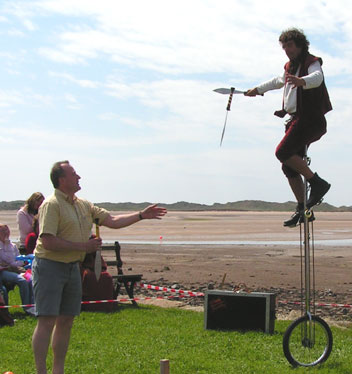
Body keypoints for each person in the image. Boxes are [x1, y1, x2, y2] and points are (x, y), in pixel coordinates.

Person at [31, 160, 167, 374]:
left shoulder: (83, 204)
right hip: (50, 266)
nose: (79, 177)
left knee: (66, 320)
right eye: (74, 174)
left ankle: (58, 371)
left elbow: (112, 220)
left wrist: (141, 215)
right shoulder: (51, 204)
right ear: (61, 179)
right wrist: (84, 246)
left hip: (72, 267)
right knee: (47, 320)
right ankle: (41, 372)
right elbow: (47, 241)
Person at [245, 28, 332, 227]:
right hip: (296, 120)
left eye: (290, 46)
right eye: (284, 47)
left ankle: (318, 183)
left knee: (282, 151)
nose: (287, 50)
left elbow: (318, 77)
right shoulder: (290, 67)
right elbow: (278, 81)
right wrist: (258, 90)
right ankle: (302, 208)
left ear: (300, 45)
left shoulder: (311, 62)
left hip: (309, 119)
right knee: (288, 165)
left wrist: (302, 81)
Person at [0, 223, 35, 315]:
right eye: (3, 231)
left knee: (30, 279)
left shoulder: (12, 245)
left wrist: (14, 263)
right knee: (22, 280)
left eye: (7, 230)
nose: (6, 232)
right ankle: (26, 307)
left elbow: (20, 260)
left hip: (15, 269)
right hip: (3, 271)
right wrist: (12, 263)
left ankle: (31, 306)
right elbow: (8, 260)